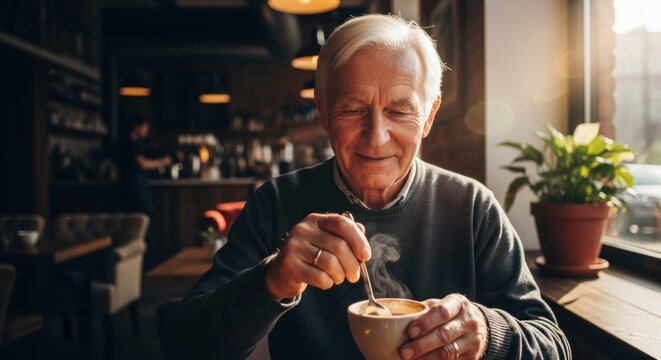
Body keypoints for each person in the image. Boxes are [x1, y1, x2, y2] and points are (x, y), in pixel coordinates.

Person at [161, 14, 571, 360]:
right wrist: (272, 281)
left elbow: (554, 345)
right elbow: (184, 343)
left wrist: (486, 332)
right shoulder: (277, 201)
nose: (376, 137)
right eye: (352, 109)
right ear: (323, 111)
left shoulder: (471, 208)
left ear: (429, 116)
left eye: (399, 110)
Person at [118, 116, 171, 215]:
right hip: (133, 185)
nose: (146, 130)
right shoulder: (130, 143)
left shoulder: (135, 143)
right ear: (136, 127)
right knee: (142, 215)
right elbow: (142, 164)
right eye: (145, 127)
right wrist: (163, 162)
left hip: (136, 183)